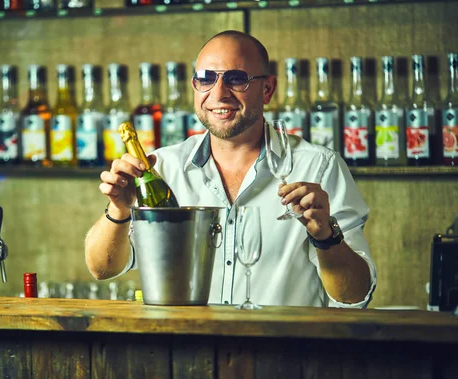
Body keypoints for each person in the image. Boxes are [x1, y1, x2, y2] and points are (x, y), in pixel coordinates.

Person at [85, 30, 376, 308]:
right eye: (206, 79)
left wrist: (326, 237)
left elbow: (354, 295)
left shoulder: (319, 167)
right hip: (189, 352)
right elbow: (102, 269)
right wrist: (119, 211)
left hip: (281, 354)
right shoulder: (164, 167)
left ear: (267, 89)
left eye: (237, 79)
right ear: (194, 86)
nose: (219, 93)